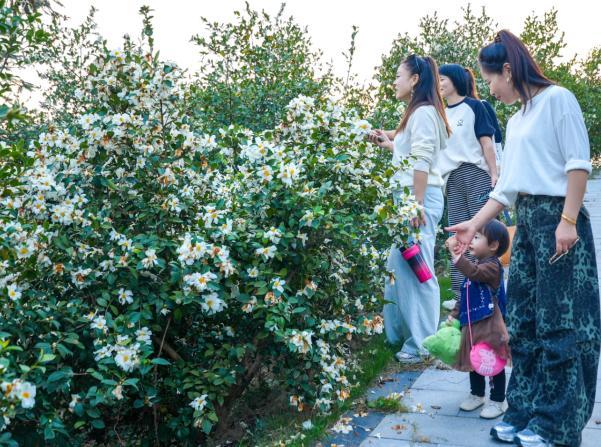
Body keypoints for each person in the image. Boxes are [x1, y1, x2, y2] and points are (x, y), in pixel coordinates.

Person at [448, 30, 600, 447]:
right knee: (525, 323)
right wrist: (473, 226)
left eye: (491, 79)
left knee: (561, 325)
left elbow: (577, 165)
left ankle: (557, 424)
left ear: (509, 71)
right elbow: (506, 189)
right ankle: (525, 411)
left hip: (559, 222)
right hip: (529, 222)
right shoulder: (516, 120)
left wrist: (567, 221)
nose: (491, 89)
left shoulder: (559, 100)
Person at [369, 54, 451, 363]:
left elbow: (422, 161)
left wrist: (414, 205)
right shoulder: (417, 113)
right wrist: (388, 143)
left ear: (415, 79)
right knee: (399, 266)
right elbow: (409, 154)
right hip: (411, 198)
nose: (394, 81)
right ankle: (401, 336)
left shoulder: (424, 113)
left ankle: (422, 343)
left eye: (398, 76)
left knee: (419, 269)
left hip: (418, 199)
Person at [437, 63, 498, 304]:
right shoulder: (441, 113)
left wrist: (494, 174)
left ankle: (490, 289)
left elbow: (487, 143)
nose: (439, 83)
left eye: (443, 79)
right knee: (459, 235)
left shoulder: (475, 107)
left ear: (455, 80)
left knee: (484, 232)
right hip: (451, 179)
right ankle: (461, 294)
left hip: (475, 174)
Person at [446, 219, 511, 419]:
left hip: (490, 324)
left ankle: (499, 400)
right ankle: (477, 394)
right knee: (474, 359)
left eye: (476, 237)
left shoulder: (492, 267)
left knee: (492, 362)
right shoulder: (477, 264)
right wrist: (455, 315)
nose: (471, 241)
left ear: (493, 245)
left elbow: (474, 274)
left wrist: (456, 256)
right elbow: (466, 295)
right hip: (473, 323)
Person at [464, 67, 504, 175]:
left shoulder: (482, 105)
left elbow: (497, 137)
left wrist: (500, 163)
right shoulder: (453, 112)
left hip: (487, 168)